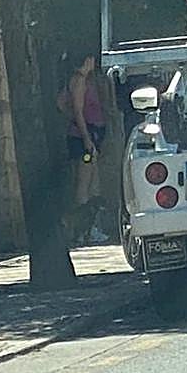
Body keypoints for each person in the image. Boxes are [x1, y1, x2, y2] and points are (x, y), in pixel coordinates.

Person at [65, 53, 109, 244]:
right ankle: (83, 231)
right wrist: (86, 138)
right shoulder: (79, 81)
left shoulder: (82, 80)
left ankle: (92, 229)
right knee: (84, 185)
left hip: (90, 136)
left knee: (93, 182)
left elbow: (61, 104)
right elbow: (77, 110)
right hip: (85, 139)